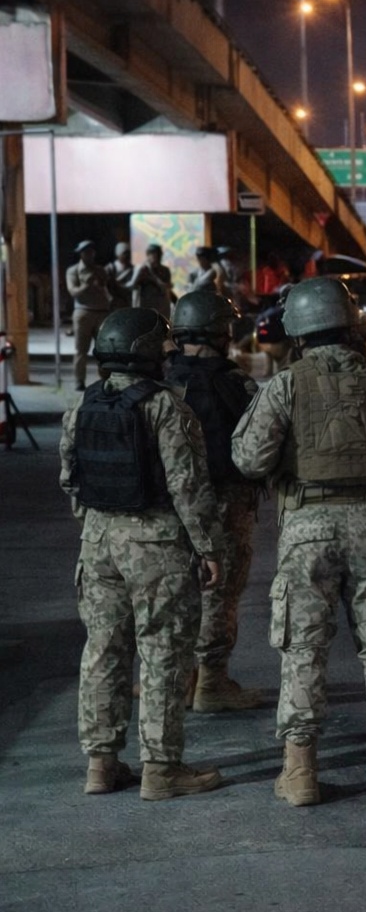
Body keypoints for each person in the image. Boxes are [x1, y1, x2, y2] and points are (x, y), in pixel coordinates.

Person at [231, 277, 366, 805]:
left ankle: (300, 773)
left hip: (307, 527)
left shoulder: (284, 384)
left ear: (297, 329)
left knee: (303, 648)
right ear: (350, 324)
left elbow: (249, 459)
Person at [59, 307, 226, 800]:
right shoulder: (168, 408)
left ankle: (100, 764)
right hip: (157, 548)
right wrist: (210, 548)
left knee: (103, 652)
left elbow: (70, 480)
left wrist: (99, 527)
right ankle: (161, 769)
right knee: (164, 654)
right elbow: (189, 488)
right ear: (150, 352)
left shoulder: (82, 405)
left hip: (98, 543)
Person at [164, 291, 263, 713]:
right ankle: (212, 683)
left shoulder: (161, 379)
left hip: (166, 504)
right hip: (225, 501)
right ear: (221, 332)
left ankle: (173, 680)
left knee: (169, 593)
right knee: (218, 593)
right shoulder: (235, 382)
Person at [65, 240, 113, 390]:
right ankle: (79, 381)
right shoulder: (73, 271)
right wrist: (87, 285)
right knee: (81, 350)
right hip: (84, 312)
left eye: (91, 251)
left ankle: (105, 379)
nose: (89, 254)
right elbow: (73, 292)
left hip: (102, 312)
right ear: (81, 254)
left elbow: (109, 289)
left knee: (104, 349)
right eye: (86, 252)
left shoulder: (101, 270)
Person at [130, 243, 176, 319]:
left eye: (159, 254)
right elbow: (133, 286)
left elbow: (165, 287)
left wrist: (152, 276)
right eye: (154, 254)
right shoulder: (141, 269)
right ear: (148, 255)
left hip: (162, 306)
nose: (157, 257)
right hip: (146, 305)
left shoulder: (165, 270)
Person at [104, 242, 136, 311]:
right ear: (118, 255)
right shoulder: (110, 268)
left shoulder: (133, 269)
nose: (127, 256)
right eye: (125, 253)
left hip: (128, 303)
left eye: (128, 253)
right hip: (114, 303)